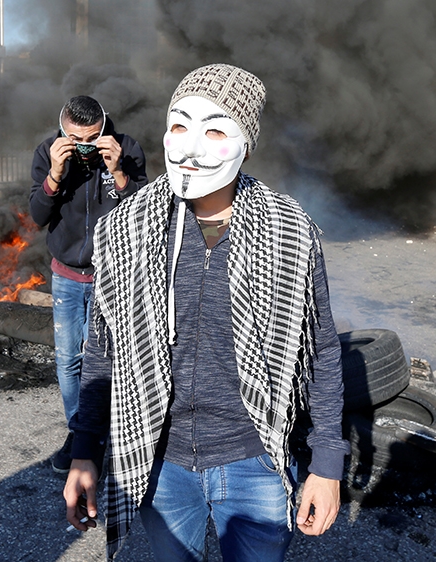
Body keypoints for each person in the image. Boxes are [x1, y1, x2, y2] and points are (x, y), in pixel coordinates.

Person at [63, 64, 347, 561]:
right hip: (159, 460)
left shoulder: (290, 230)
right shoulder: (126, 227)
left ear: (246, 145)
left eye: (215, 130)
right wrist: (84, 448)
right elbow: (102, 349)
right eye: (179, 126)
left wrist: (327, 464)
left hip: (254, 460)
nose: (190, 147)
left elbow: (321, 348)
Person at [29, 95, 148, 474]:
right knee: (68, 361)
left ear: (105, 126)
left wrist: (118, 172)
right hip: (66, 275)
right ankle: (80, 435)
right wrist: (55, 174)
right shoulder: (48, 152)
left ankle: (110, 435)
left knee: (115, 361)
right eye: (76, 139)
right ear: (63, 130)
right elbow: (36, 215)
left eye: (92, 138)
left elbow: (145, 212)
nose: (85, 147)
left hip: (114, 277)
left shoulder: (125, 149)